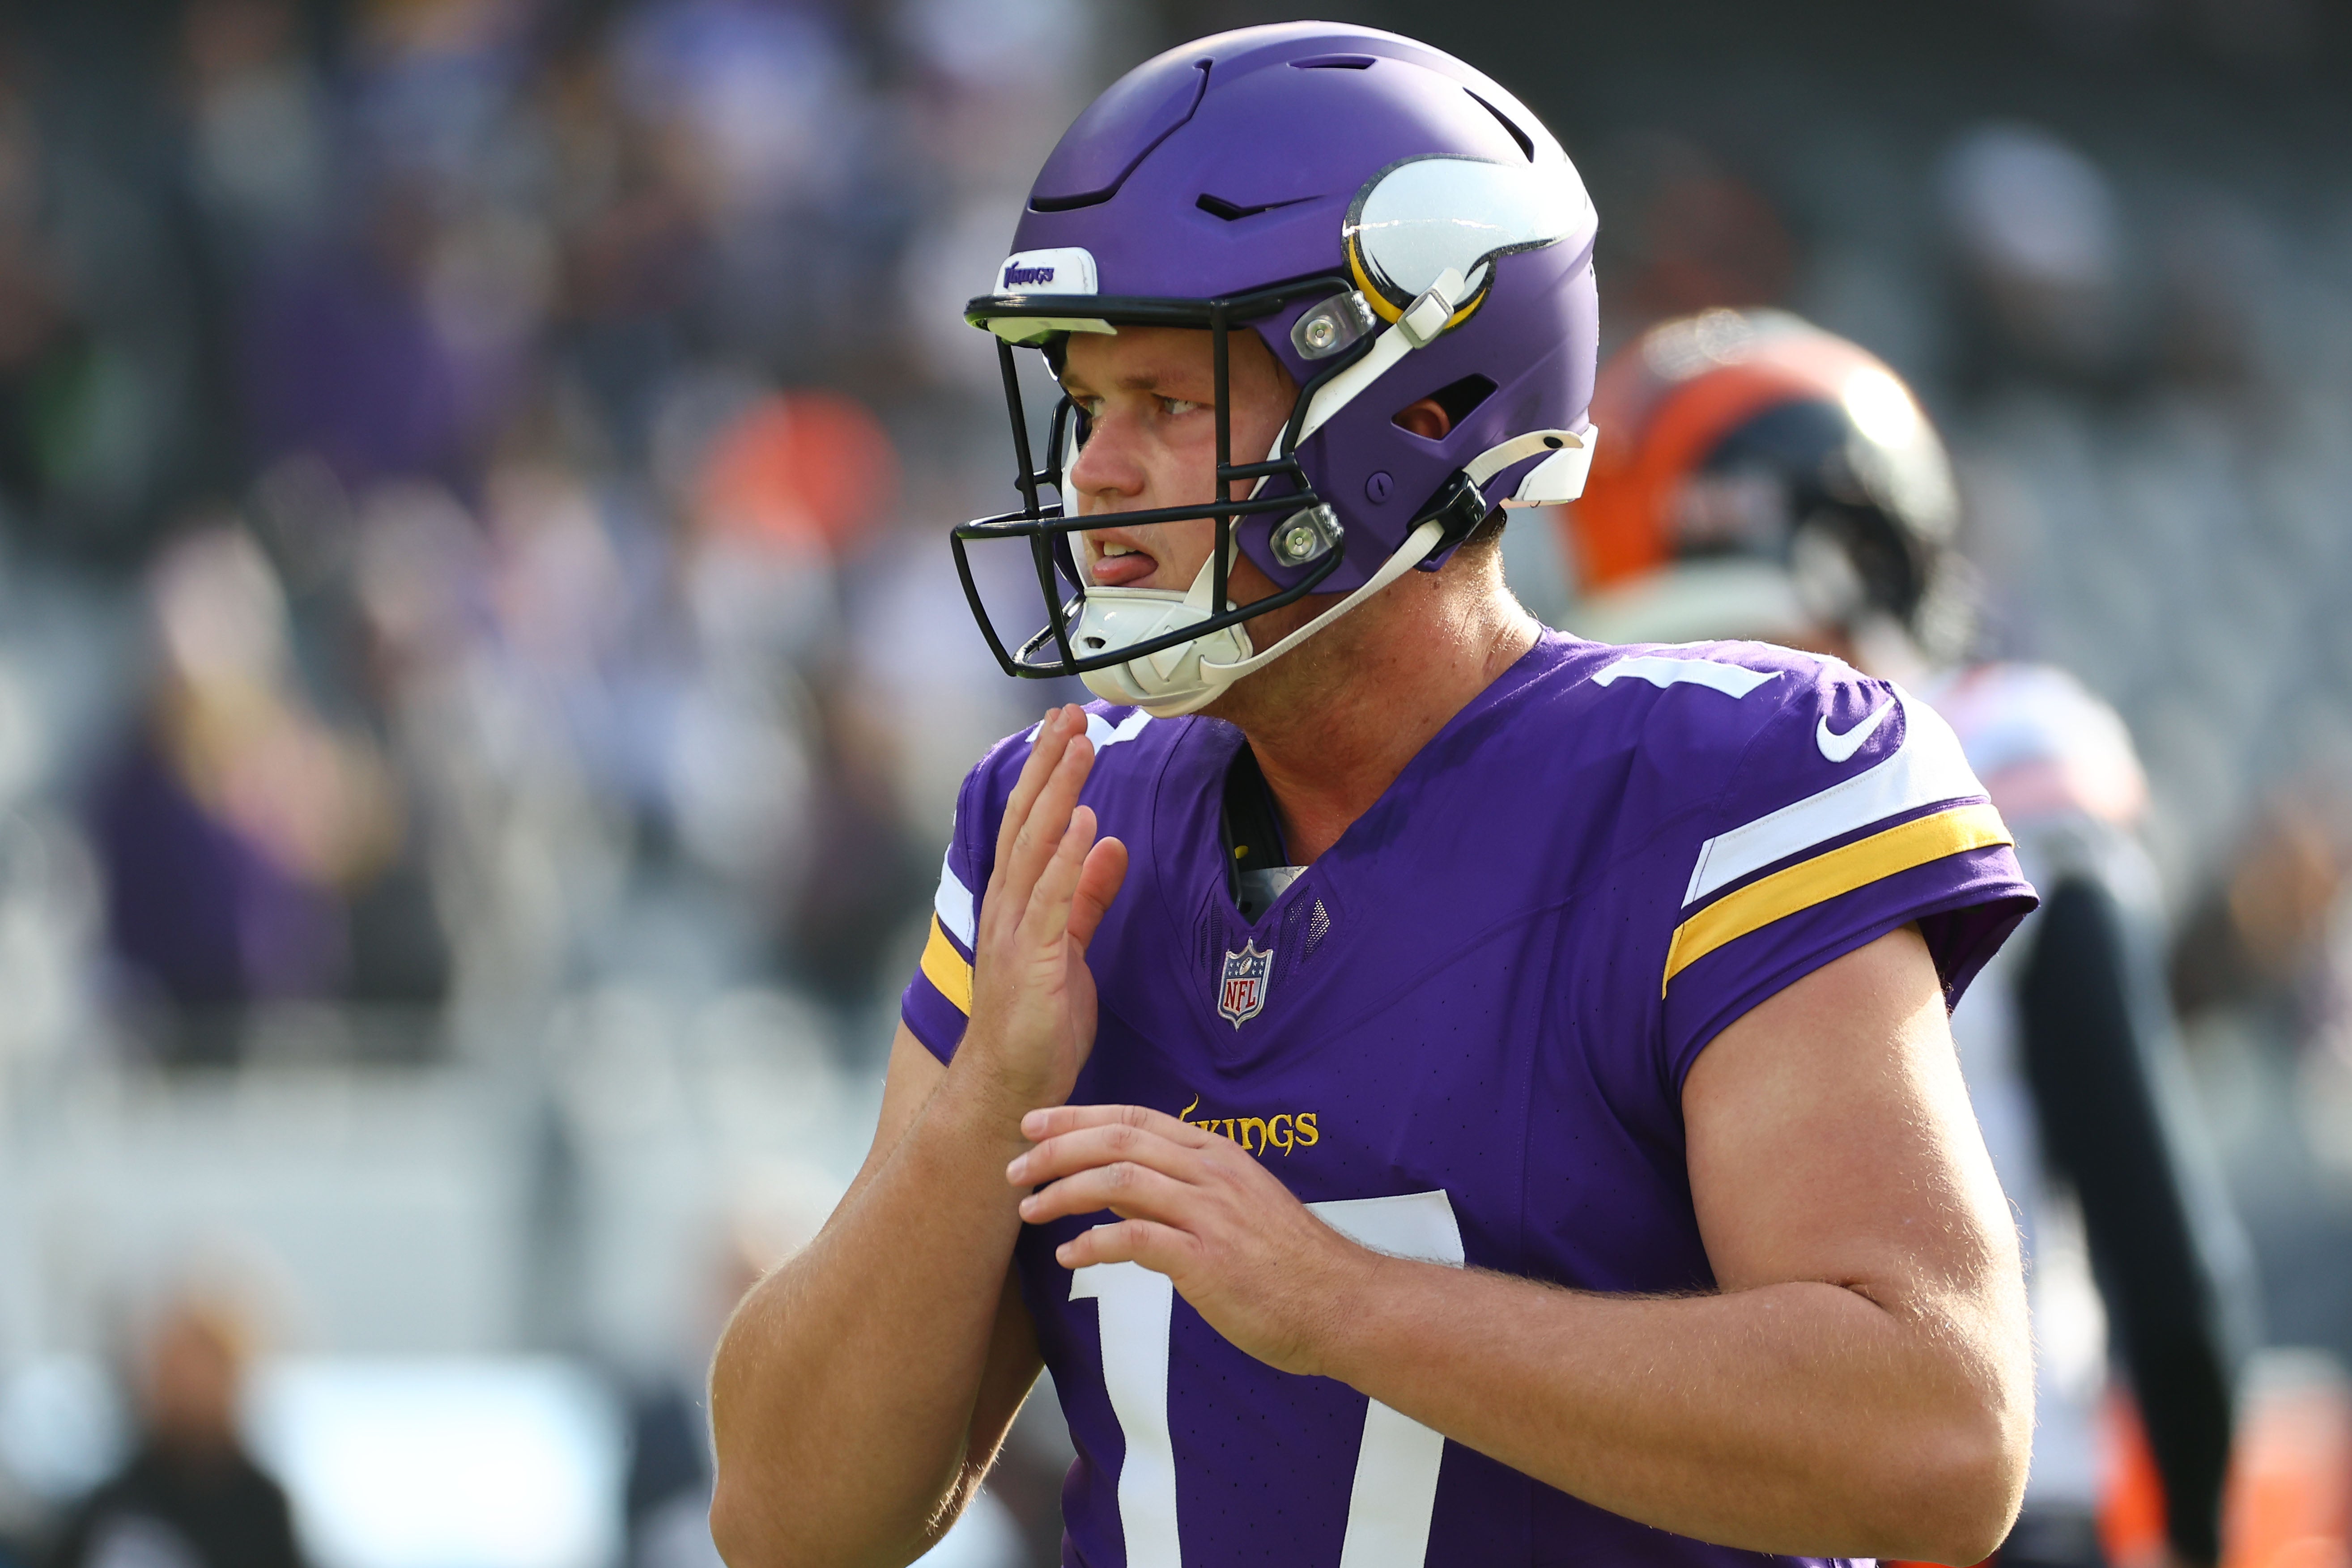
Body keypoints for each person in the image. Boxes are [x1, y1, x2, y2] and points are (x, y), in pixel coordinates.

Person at [710, 25, 2040, 1568]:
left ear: (1418, 406)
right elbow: (791, 1522)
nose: (1096, 471)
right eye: (1083, 404)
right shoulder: (1066, 822)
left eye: (1168, 394)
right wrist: (977, 1119)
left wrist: (1342, 1304)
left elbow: (1934, 1431)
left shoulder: (1716, 783)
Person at [1560, 306, 2253, 1568]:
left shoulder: (1612, 805)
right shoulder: (1991, 758)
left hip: (1769, 1494)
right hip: (1921, 1488)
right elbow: (2165, 1245)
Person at [46, 1292, 305, 1568]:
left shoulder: (260, 1508)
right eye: (175, 1368)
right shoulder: (117, 1506)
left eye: (204, 1368)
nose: (189, 1385)